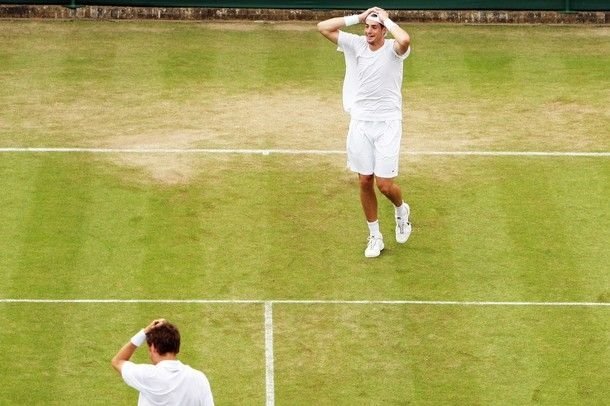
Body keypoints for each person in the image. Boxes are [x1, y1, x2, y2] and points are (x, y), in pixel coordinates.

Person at [318, 7, 413, 258]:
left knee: (384, 185)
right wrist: (358, 18)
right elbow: (323, 27)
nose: (369, 31)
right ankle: (375, 236)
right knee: (364, 180)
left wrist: (387, 19)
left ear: (383, 30)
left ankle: (401, 210)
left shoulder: (394, 49)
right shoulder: (356, 44)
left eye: (374, 27)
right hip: (360, 122)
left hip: (388, 124)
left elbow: (404, 39)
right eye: (367, 27)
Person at [111, 318, 214, 406]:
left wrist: (145, 332)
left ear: (153, 348)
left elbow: (118, 361)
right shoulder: (199, 378)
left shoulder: (146, 375)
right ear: (176, 347)